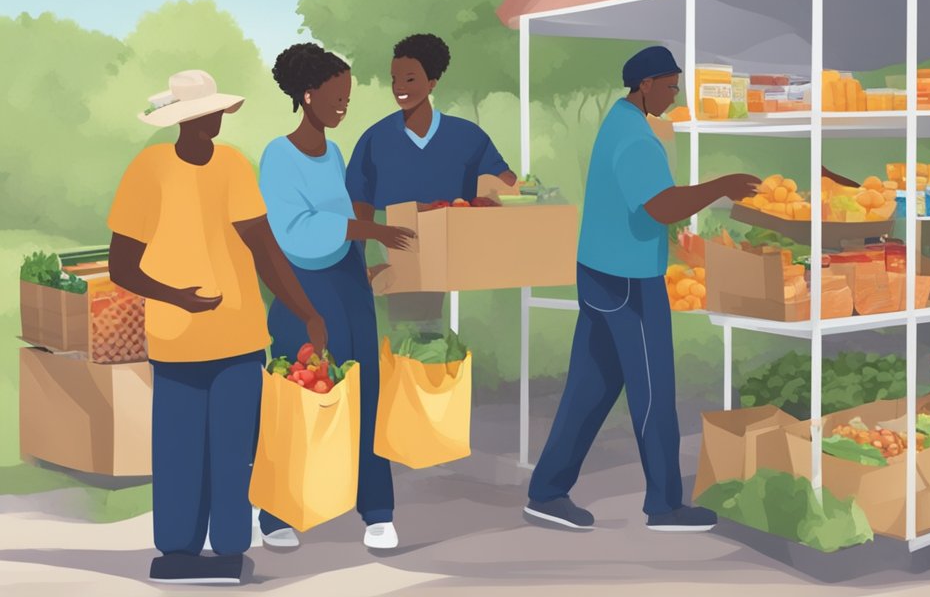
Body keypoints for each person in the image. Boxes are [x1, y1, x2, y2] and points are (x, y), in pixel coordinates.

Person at [525, 46, 760, 532]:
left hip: (596, 273)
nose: (675, 95)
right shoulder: (636, 138)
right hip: (629, 280)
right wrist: (722, 185)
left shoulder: (617, 121)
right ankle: (665, 506)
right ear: (646, 84)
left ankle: (547, 492)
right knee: (653, 391)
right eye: (671, 86)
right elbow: (661, 207)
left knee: (588, 390)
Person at [108, 70, 326, 585]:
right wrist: (174, 297)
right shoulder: (150, 170)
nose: (217, 119)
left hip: (240, 339)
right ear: (185, 119)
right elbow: (122, 264)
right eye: (207, 112)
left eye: (217, 111)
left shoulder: (233, 166)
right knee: (180, 451)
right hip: (178, 342)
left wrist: (307, 311)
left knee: (232, 452)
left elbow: (264, 248)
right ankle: (178, 553)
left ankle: (229, 549)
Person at [255, 44, 417, 551]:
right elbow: (293, 231)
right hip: (301, 286)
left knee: (363, 390)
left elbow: (336, 228)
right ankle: (278, 513)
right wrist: (366, 228)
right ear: (307, 96)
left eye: (348, 98)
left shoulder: (335, 153)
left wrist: (364, 265)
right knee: (300, 392)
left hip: (346, 281)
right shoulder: (278, 156)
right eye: (337, 98)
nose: (345, 107)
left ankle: (376, 509)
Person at [347, 33, 517, 328]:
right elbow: (358, 199)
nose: (399, 88)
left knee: (454, 321)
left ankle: (440, 363)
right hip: (399, 237)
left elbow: (504, 180)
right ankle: (418, 363)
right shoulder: (376, 139)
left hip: (458, 238)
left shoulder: (466, 136)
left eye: (410, 79)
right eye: (394, 79)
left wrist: (498, 190)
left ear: (432, 82)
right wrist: (358, 259)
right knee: (414, 321)